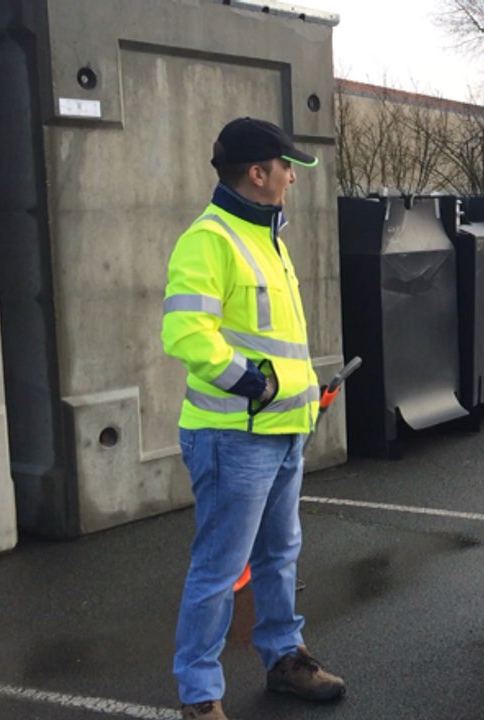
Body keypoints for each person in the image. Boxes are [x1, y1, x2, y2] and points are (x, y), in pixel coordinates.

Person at [163, 117, 345, 720]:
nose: (293, 176)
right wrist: (256, 383)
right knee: (219, 568)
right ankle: (198, 694)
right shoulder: (210, 238)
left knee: (278, 557)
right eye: (286, 166)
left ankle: (284, 659)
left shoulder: (267, 237)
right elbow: (187, 332)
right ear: (258, 172)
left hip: (279, 431)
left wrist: (297, 388)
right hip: (233, 435)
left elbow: (273, 340)